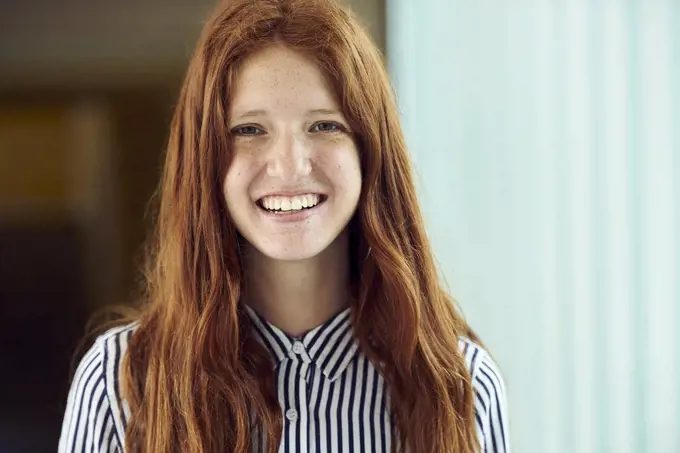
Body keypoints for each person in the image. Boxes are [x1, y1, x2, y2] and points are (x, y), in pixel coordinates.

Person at [58, 0, 510, 452]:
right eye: (250, 130)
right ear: (204, 160)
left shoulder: (462, 388)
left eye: (324, 125)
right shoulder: (119, 385)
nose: (290, 165)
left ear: (370, 153)